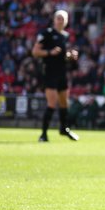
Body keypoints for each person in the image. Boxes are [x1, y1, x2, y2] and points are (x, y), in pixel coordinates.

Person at [32, 9, 79, 142]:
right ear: (54, 20)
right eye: (58, 18)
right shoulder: (46, 33)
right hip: (50, 72)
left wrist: (71, 56)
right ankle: (43, 134)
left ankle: (64, 129)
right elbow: (35, 51)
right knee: (52, 102)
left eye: (63, 19)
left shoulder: (66, 36)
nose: (60, 21)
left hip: (62, 72)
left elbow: (65, 55)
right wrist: (49, 52)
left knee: (64, 103)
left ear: (66, 21)